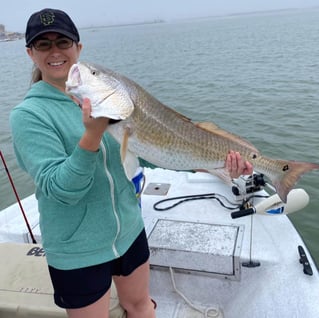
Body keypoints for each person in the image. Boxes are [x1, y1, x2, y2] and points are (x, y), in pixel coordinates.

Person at [10, 8, 253, 318]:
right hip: (76, 248)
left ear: (78, 48)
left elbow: (156, 149)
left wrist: (219, 165)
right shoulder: (29, 115)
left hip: (128, 230)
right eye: (43, 45)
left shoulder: (109, 95)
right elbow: (60, 190)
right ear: (30, 53)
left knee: (140, 306)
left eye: (63, 41)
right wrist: (92, 135)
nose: (55, 51)